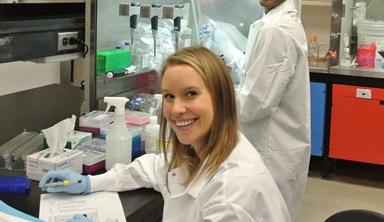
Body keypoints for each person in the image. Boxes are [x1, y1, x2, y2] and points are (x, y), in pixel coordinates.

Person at [39, 46, 291, 222]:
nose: (176, 108)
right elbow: (157, 167)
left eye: (191, 93)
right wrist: (89, 183)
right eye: (169, 96)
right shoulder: (208, 146)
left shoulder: (232, 195)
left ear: (221, 98)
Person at [210, 0, 311, 222]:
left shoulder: (276, 30)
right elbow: (258, 71)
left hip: (269, 152)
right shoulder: (273, 22)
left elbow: (254, 105)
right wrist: (228, 54)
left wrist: (212, 91)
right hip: (273, 148)